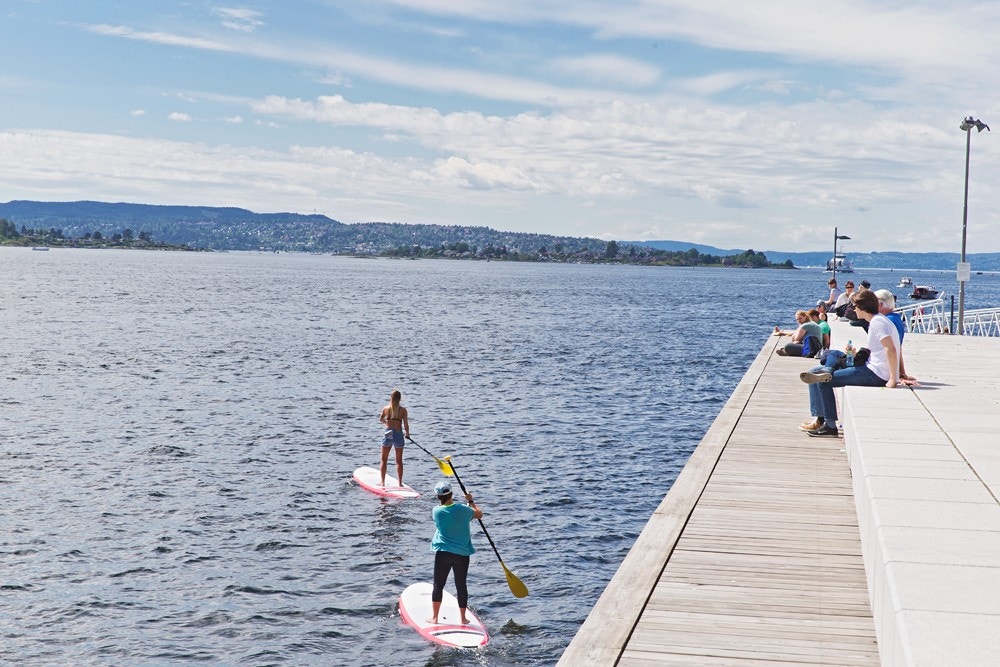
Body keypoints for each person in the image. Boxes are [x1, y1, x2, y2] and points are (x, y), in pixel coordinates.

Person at [798, 289, 900, 437]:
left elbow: (890, 348)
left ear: (863, 307)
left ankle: (830, 426)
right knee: (816, 371)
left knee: (824, 381)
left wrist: (892, 379)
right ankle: (819, 418)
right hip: (871, 367)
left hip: (875, 373)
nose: (853, 309)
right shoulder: (877, 320)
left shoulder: (878, 323)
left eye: (855, 306)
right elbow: (882, 349)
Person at [429, 480, 482, 625]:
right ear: (451, 493)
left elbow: (449, 512)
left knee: (438, 586)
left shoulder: (436, 511)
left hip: (443, 553)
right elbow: (479, 514)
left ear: (438, 496)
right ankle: (463, 618)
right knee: (461, 585)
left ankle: (435, 618)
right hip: (462, 554)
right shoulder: (464, 510)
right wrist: (470, 500)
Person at [378, 389, 410, 487]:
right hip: (398, 433)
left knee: (384, 460)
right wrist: (407, 433)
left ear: (390, 398)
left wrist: (387, 423)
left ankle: (383, 482)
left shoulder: (385, 409)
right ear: (400, 399)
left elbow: (381, 419)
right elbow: (406, 425)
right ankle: (400, 483)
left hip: (388, 433)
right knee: (399, 461)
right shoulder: (403, 410)